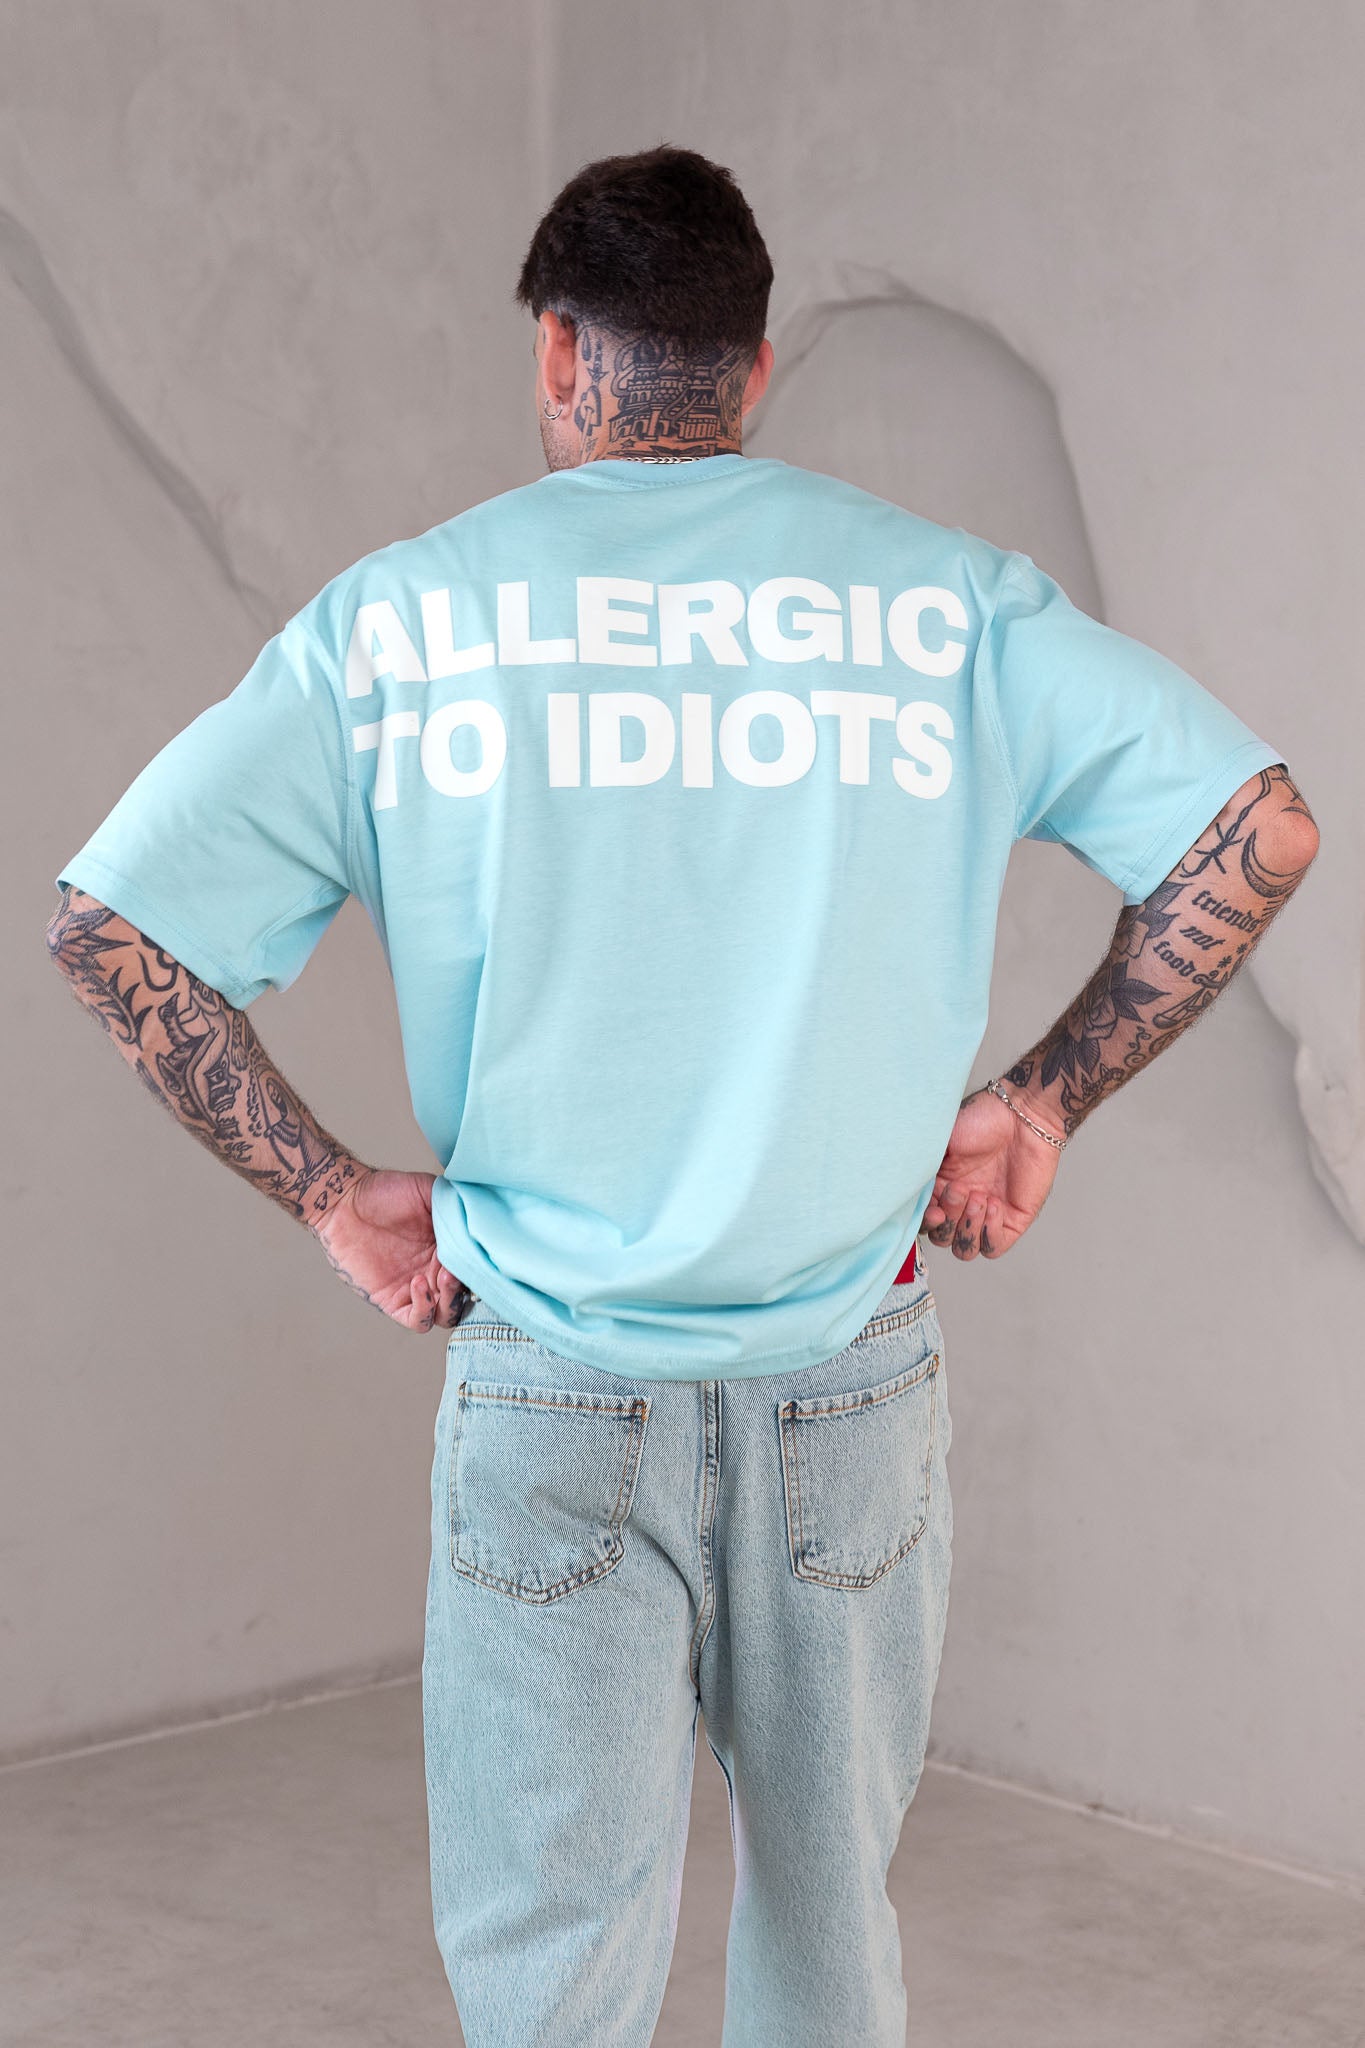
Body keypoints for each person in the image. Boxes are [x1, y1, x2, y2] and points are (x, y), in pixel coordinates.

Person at [47, 144, 1319, 2047]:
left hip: (550, 1381)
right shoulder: (946, 605)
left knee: (550, 1968)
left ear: (562, 352)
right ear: (756, 364)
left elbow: (110, 928)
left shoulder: (404, 621)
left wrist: (327, 1192)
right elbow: (1259, 829)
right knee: (828, 1936)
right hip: (848, 1380)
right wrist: (1043, 1102)